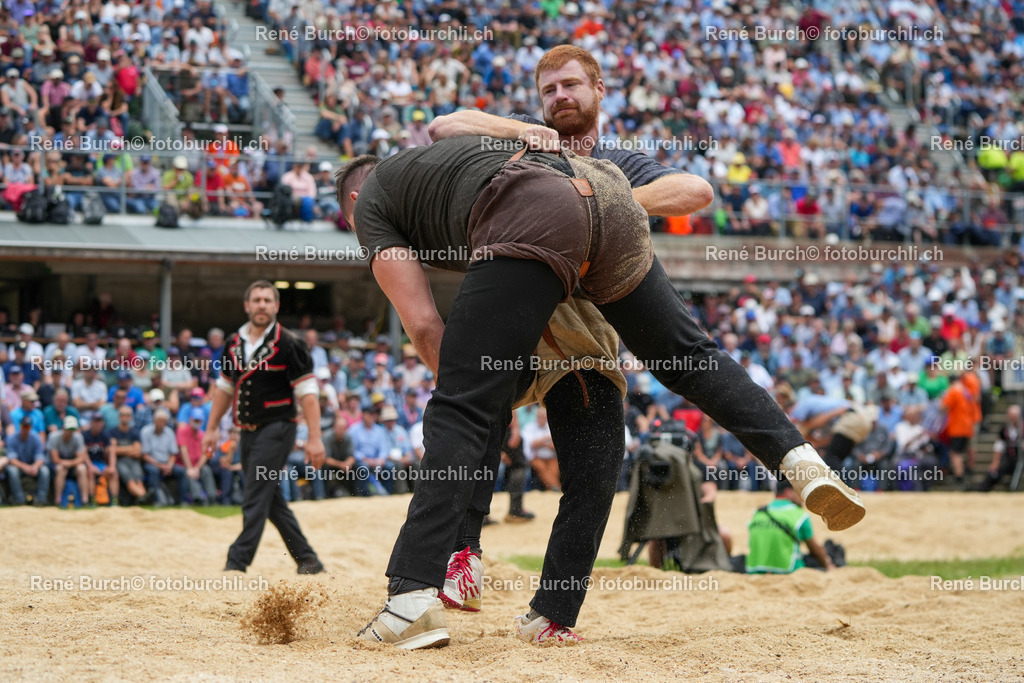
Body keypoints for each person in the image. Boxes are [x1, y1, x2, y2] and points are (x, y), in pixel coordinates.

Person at [345, 47, 863, 650]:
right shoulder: (513, 142)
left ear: (599, 88)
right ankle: (800, 461)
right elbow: (446, 123)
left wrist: (587, 186)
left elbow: (695, 189)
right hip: (539, 289)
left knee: (477, 410)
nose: (559, 97)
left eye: (570, 85)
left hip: (566, 309)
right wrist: (558, 162)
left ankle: (418, 595)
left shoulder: (609, 161)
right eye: (548, 91)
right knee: (688, 359)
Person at [202, 281, 326, 575]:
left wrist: (315, 438)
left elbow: (308, 394)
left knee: (255, 492)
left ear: (276, 306)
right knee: (270, 498)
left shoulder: (290, 343)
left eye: (267, 300)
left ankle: (237, 561)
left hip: (279, 428)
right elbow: (224, 387)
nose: (261, 305)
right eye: (256, 300)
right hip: (247, 430)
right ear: (247, 306)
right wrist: (210, 429)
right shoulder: (233, 342)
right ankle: (307, 559)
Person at [744, 478, 836, 574]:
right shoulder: (799, 515)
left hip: (753, 570)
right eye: (799, 492)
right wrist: (828, 566)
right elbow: (815, 550)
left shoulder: (758, 513)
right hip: (788, 571)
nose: (802, 498)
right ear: (788, 492)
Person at [4, 415, 49, 505]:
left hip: (32, 466)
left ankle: (41, 500)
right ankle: (19, 499)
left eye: (27, 426)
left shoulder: (36, 438)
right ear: (20, 426)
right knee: (12, 470)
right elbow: (12, 460)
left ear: (31, 427)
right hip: (19, 467)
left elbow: (40, 457)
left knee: (44, 470)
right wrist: (25, 467)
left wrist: (35, 466)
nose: (25, 429)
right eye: (23, 426)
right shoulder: (12, 438)